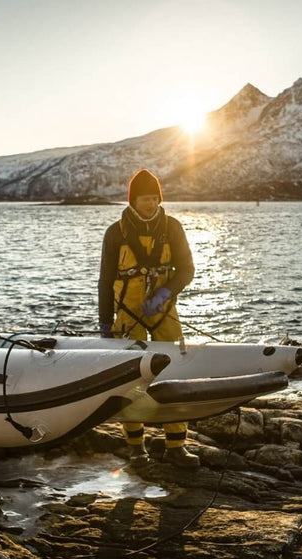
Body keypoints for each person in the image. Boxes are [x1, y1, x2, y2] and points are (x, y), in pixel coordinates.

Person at [98, 168, 200, 468]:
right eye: (145, 198)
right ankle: (136, 448)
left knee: (176, 372)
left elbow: (186, 270)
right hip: (127, 317)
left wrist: (165, 292)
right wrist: (105, 322)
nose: (151, 204)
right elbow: (105, 281)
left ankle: (176, 447)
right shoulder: (116, 232)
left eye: (156, 198)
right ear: (132, 199)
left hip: (164, 311)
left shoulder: (173, 228)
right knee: (129, 379)